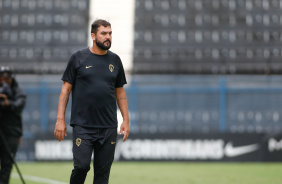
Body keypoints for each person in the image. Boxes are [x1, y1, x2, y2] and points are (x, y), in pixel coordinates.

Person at [54, 19, 130, 184]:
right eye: (104, 33)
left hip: (108, 126)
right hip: (83, 126)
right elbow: (65, 90)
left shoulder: (115, 61)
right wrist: (60, 119)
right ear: (93, 36)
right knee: (81, 167)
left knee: (102, 175)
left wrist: (125, 120)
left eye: (110, 33)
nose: (108, 37)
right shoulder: (78, 58)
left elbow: (120, 92)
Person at [0, 66, 26, 184]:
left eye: (8, 77)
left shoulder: (17, 89)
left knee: (7, 164)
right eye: (2, 77)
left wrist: (8, 103)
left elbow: (20, 104)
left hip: (11, 132)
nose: (5, 80)